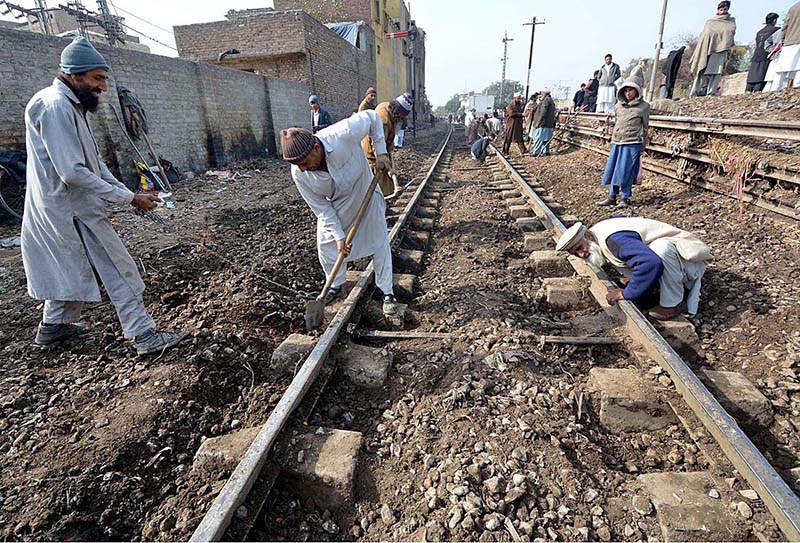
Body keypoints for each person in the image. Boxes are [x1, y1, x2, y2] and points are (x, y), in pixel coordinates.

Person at [22, 37, 185, 354]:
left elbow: (94, 166)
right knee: (118, 267)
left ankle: (53, 328)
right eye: (98, 79)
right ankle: (144, 334)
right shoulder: (56, 107)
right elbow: (72, 172)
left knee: (67, 267)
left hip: (64, 208)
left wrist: (128, 195)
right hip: (72, 210)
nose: (103, 87)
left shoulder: (70, 105)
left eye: (104, 78)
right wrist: (128, 199)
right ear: (74, 75)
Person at [282, 114, 400, 316]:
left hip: (365, 190)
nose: (301, 168)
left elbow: (372, 117)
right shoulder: (299, 173)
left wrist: (381, 153)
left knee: (379, 239)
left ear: (316, 148)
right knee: (325, 242)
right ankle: (335, 285)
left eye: (303, 161)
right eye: (296, 164)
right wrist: (339, 235)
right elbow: (320, 207)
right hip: (338, 202)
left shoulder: (341, 134)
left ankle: (387, 291)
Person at [555, 218, 712, 320]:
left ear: (588, 236)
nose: (582, 254)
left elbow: (650, 263)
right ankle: (654, 286)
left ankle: (673, 304)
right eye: (575, 253)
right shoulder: (598, 234)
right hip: (678, 264)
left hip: (690, 261)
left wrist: (626, 293)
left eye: (580, 248)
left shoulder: (613, 239)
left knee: (660, 249)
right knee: (631, 256)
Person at [596, 78, 650, 208]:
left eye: (630, 90)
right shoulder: (618, 107)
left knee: (626, 170)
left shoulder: (644, 107)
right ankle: (612, 196)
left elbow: (645, 127)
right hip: (617, 141)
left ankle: (625, 198)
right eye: (625, 91)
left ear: (636, 91)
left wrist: (642, 145)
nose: (628, 93)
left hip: (632, 142)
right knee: (614, 169)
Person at [361, 92, 412, 198]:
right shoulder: (384, 122)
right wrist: (389, 168)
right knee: (380, 187)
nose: (402, 121)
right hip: (373, 158)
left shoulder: (385, 106)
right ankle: (381, 205)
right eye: (402, 118)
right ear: (398, 114)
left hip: (377, 152)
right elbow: (378, 148)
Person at [690, 1, 736, 97]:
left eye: (725, 9)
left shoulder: (731, 21)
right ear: (718, 10)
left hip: (720, 50)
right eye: (721, 9)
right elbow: (705, 36)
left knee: (717, 72)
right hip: (706, 49)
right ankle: (695, 92)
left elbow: (730, 33)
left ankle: (711, 92)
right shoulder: (710, 22)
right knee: (701, 70)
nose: (723, 11)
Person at [766, 2, 800, 90]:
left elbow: (785, 26)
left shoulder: (792, 8)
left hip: (788, 42)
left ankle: (776, 89)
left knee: (782, 70)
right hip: (797, 41)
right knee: (797, 69)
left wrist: (783, 40)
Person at [746, 13, 780, 92]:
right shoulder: (777, 30)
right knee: (761, 80)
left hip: (755, 57)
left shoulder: (759, 32)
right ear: (774, 20)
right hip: (766, 57)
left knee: (751, 82)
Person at [530, 89, 556, 157]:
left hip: (543, 124)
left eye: (541, 93)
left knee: (538, 138)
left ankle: (536, 152)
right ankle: (546, 151)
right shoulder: (549, 100)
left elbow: (543, 112)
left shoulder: (545, 100)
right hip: (548, 123)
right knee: (546, 139)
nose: (540, 94)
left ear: (544, 93)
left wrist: (538, 122)